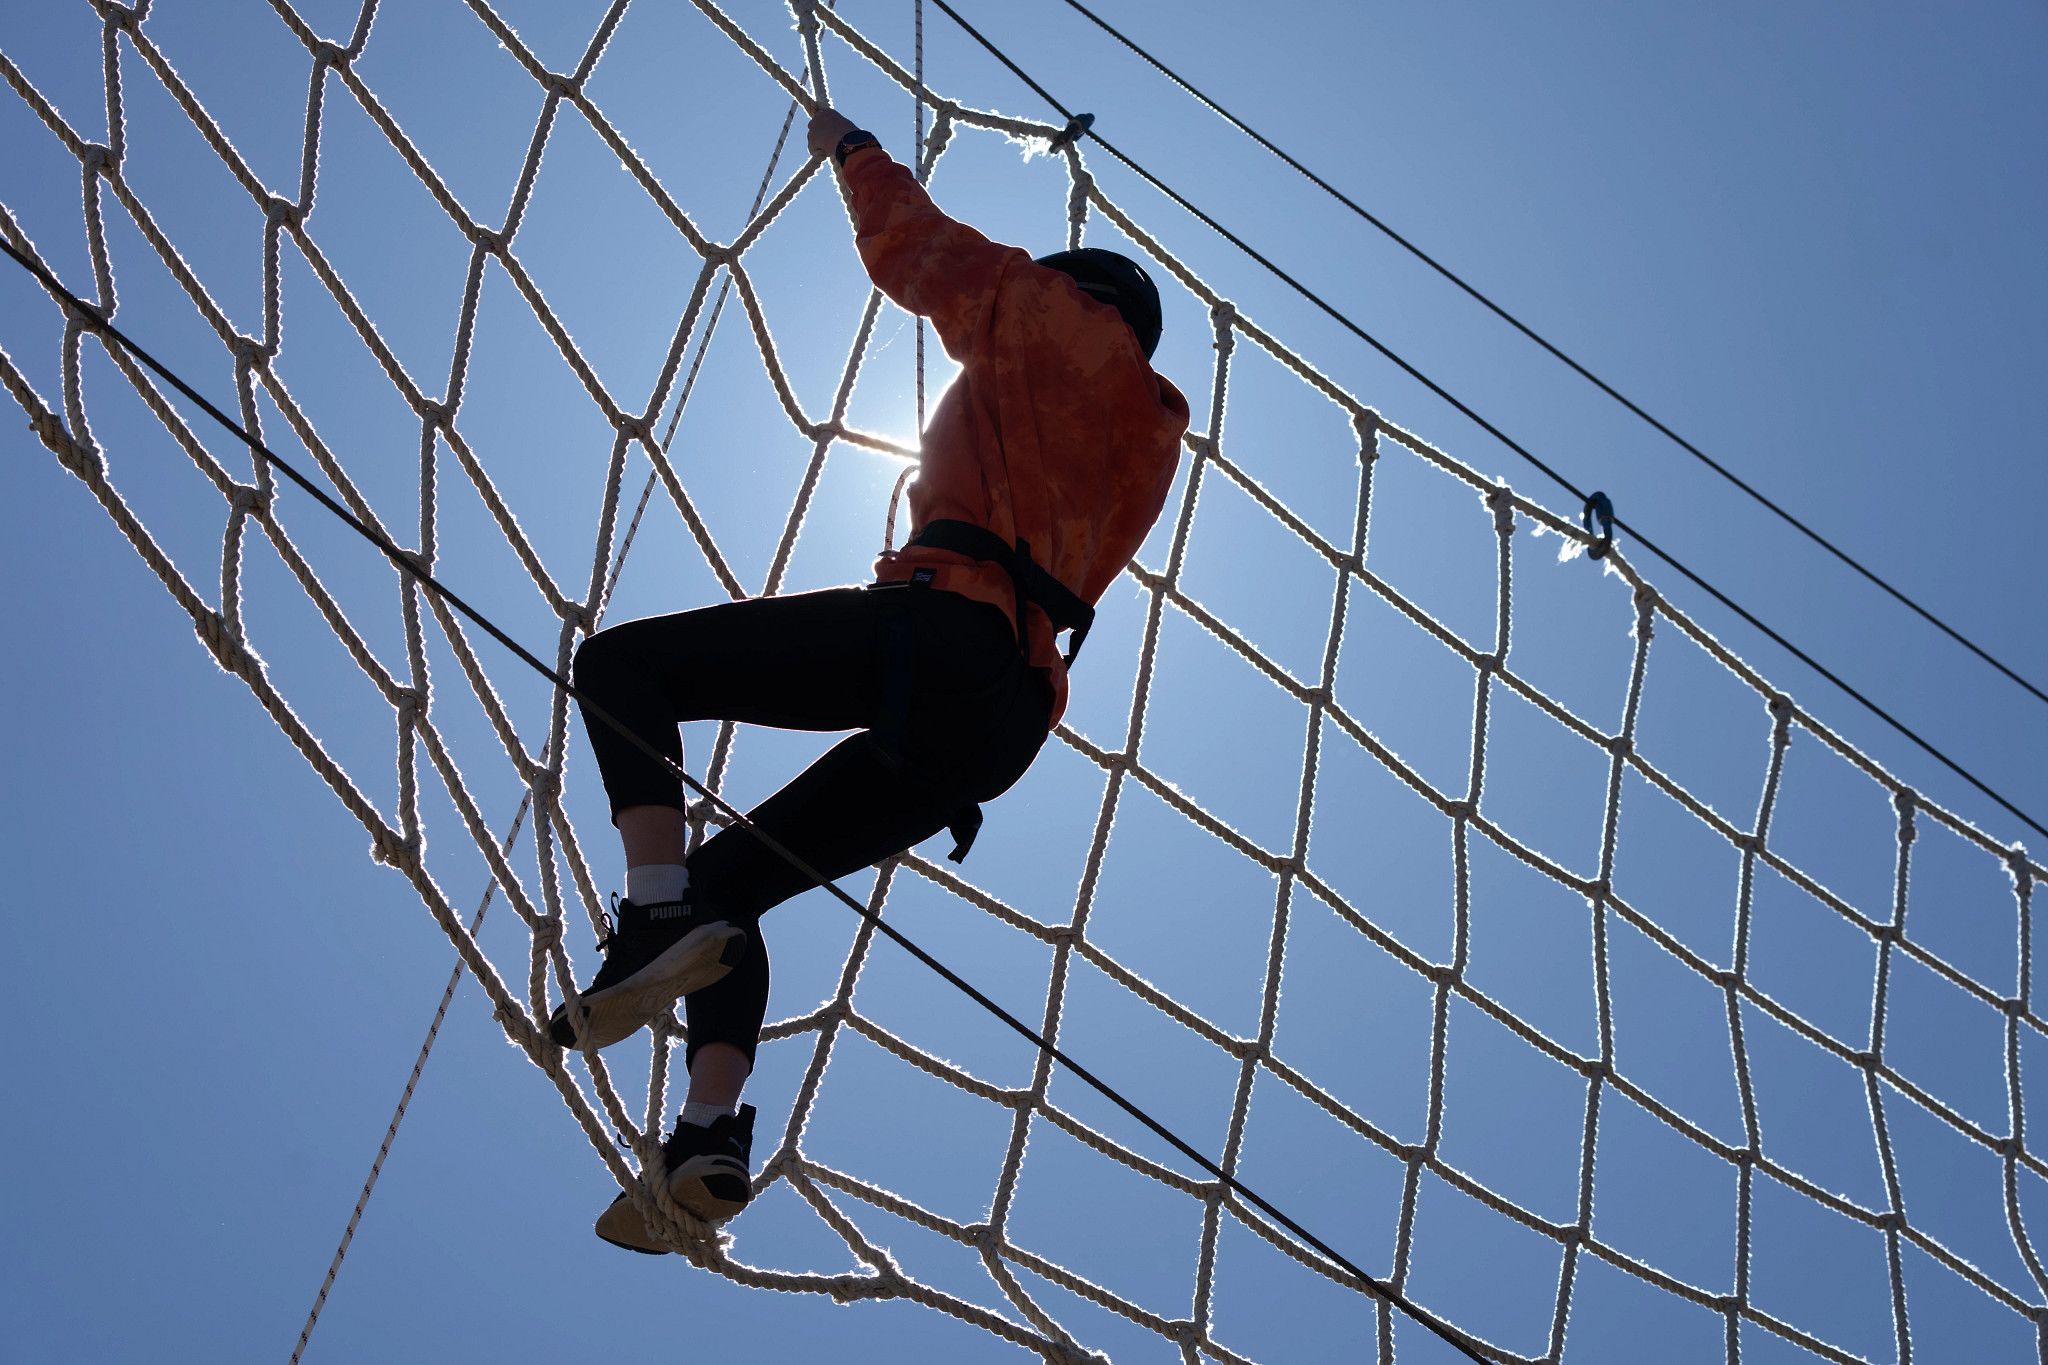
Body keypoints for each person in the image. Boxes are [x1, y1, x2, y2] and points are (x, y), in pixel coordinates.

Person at [557, 106, 1191, 1253]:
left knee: (621, 667)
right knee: (732, 895)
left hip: (940, 634)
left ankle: (651, 913)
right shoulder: (1152, 438)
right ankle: (705, 1136)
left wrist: (849, 151)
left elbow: (919, 249)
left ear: (1079, 289)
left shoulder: (1045, 315)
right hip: (1002, 727)